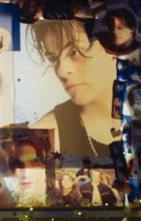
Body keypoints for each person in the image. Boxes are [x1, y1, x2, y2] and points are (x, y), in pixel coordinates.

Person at [29, 20, 119, 156]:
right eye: (53, 59)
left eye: (74, 52)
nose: (61, 70)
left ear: (115, 46)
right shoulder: (43, 135)